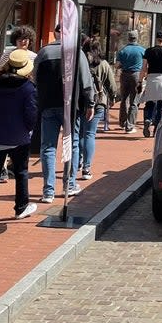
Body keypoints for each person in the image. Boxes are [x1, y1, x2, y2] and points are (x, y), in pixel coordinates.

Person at [34, 23, 95, 203]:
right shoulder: (76, 52)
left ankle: (48, 191)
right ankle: (69, 184)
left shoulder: (43, 52)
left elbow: (35, 78)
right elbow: (86, 81)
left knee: (48, 147)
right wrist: (90, 103)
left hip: (47, 105)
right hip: (70, 105)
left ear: (55, 33)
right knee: (72, 143)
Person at [0, 49, 39, 230]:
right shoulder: (28, 88)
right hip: (19, 137)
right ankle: (21, 207)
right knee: (21, 172)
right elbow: (31, 115)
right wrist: (26, 129)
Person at [0, 25, 37, 182]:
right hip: (8, 99)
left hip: (25, 99)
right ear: (15, 40)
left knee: (24, 134)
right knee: (6, 134)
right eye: (20, 39)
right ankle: (3, 168)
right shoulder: (8, 54)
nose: (23, 41)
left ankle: (13, 164)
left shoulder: (34, 56)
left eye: (26, 39)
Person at [81, 39, 116, 178]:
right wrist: (113, 97)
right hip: (98, 101)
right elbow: (112, 84)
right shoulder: (103, 64)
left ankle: (76, 161)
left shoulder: (80, 62)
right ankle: (86, 167)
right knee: (90, 133)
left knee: (79, 134)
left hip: (81, 101)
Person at [141, 32, 162, 138]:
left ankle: (147, 119)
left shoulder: (149, 51)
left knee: (149, 103)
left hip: (151, 78)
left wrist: (140, 81)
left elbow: (144, 68)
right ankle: (156, 126)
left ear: (156, 39)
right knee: (161, 104)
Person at [116, 29, 145, 134]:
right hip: (136, 75)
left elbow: (117, 65)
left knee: (124, 99)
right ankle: (130, 125)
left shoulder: (123, 50)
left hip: (124, 75)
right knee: (134, 101)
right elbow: (146, 65)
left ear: (128, 38)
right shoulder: (142, 50)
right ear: (137, 38)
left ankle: (123, 122)